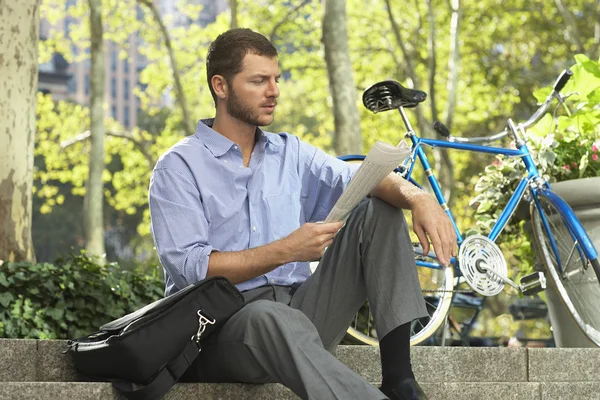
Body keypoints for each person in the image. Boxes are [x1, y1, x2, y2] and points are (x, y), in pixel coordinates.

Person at [149, 28, 456, 400]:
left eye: (276, 79)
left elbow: (361, 177)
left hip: (300, 311)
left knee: (378, 211)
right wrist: (288, 249)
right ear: (221, 86)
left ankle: (399, 380)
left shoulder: (290, 152)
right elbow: (194, 269)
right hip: (219, 330)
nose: (274, 91)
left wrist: (419, 198)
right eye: (259, 81)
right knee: (270, 319)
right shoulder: (179, 167)